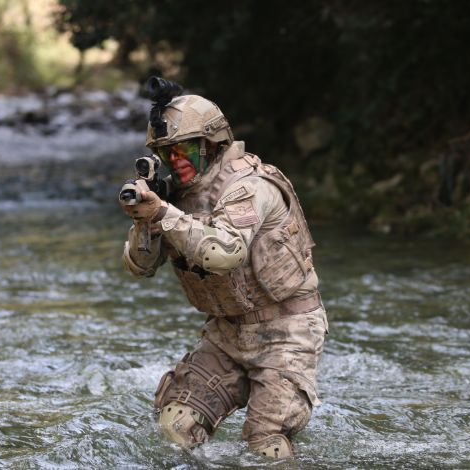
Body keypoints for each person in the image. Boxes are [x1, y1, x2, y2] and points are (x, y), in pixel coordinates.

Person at [119, 77, 327, 459]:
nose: (176, 161)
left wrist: (164, 213)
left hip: (286, 330)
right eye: (167, 153)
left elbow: (223, 253)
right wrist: (143, 222)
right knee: (176, 425)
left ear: (212, 143)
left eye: (184, 149)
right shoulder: (177, 198)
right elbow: (139, 267)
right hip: (227, 331)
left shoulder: (249, 186)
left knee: (264, 448)